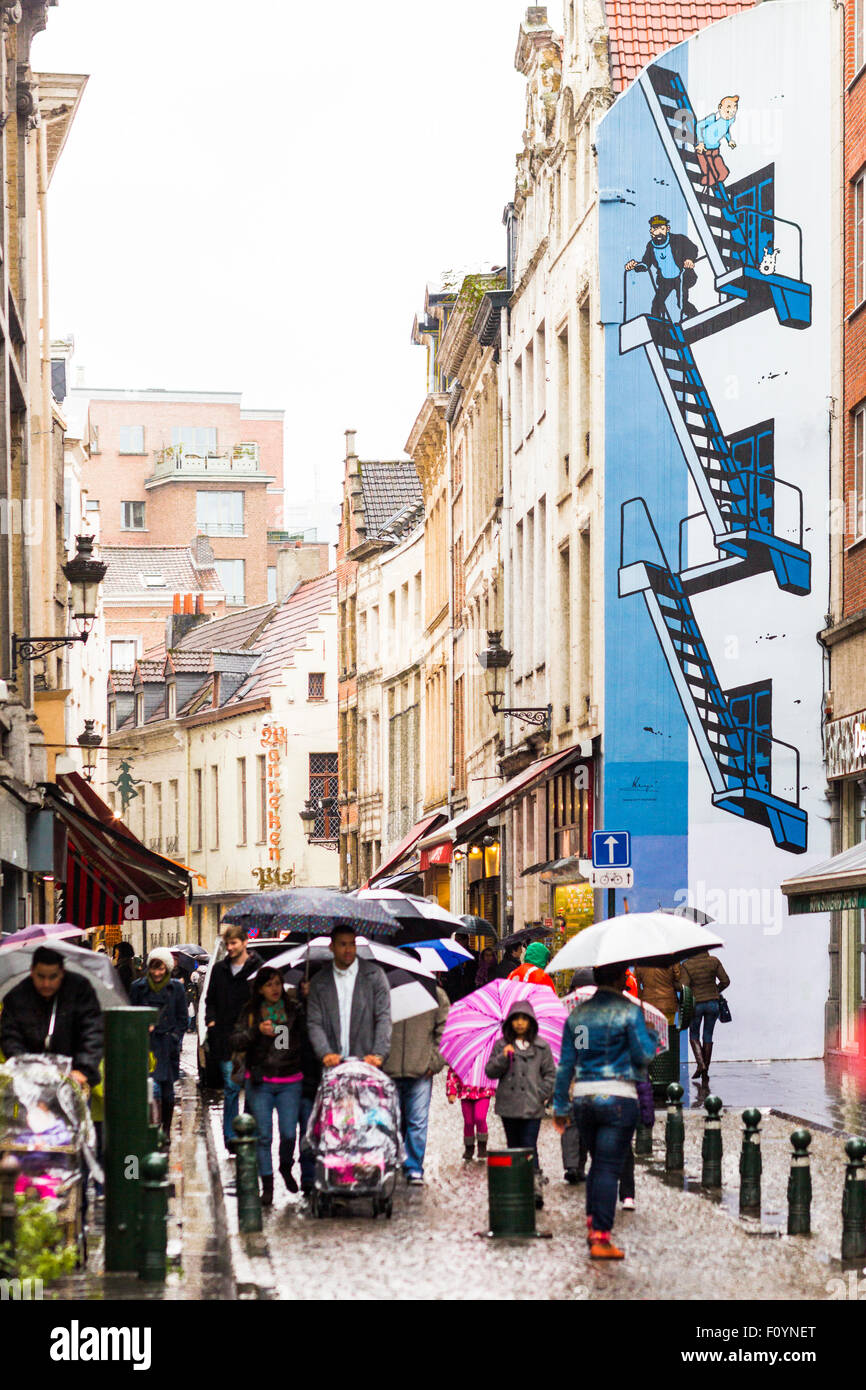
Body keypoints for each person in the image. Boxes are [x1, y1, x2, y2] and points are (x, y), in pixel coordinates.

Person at [553, 962, 658, 1260]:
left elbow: (568, 1063)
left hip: (584, 1098)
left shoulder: (580, 1016)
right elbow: (642, 1057)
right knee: (608, 1168)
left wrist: (561, 1105)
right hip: (618, 1098)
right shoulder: (629, 1011)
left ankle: (593, 1223)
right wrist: (647, 1037)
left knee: (598, 1165)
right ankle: (600, 1236)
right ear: (620, 979)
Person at [229, 966, 303, 1207]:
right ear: (260, 989)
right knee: (263, 1136)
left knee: (289, 1133)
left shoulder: (293, 1010)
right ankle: (267, 1186)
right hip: (260, 1081)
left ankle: (285, 1166)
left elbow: (305, 1035)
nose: (274, 989)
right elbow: (236, 1040)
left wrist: (306, 995)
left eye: (277, 983)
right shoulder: (251, 1011)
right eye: (269, 984)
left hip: (289, 1080)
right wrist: (256, 1031)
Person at [485, 1000, 556, 1208]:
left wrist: (540, 1094)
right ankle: (516, 1185)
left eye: (524, 1019)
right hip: (509, 1106)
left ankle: (534, 1187)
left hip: (532, 1107)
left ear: (531, 1022)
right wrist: (503, 1057)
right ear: (510, 1022)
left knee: (529, 1146)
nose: (520, 1023)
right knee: (513, 1147)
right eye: (516, 1019)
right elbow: (490, 1071)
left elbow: (550, 1074)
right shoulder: (501, 1045)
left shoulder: (541, 1047)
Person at [0, 946, 102, 1089]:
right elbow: (10, 1038)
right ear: (32, 972)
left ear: (62, 973)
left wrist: (84, 1069)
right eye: (41, 976)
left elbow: (92, 1031)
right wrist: (28, 1070)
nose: (46, 984)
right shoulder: (16, 997)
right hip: (31, 1081)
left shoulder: (80, 990)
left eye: (53, 977)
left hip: (74, 1077)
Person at [204, 925, 263, 1154]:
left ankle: (247, 1133)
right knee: (231, 1087)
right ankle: (230, 1136)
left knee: (249, 1087)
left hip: (250, 1039)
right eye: (227, 944)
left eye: (234, 943)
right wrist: (211, 1020)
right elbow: (210, 999)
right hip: (226, 1039)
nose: (230, 948)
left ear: (244, 943)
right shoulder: (220, 970)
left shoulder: (257, 969)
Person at [384, 983, 450, 1185]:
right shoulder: (386, 992)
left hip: (421, 1070)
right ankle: (394, 1158)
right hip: (390, 1069)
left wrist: (435, 1063)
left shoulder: (435, 995)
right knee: (392, 1120)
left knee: (417, 1120)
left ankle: (413, 1167)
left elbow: (445, 1030)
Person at [305, 926, 391, 1068]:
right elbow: (314, 1022)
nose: (348, 950)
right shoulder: (318, 982)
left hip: (367, 1064)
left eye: (352, 944)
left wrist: (378, 1054)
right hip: (332, 1066)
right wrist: (324, 1052)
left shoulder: (375, 975)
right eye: (343, 944)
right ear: (331, 947)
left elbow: (383, 1017)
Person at [130, 947, 188, 1140]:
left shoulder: (176, 988)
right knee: (150, 1088)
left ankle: (166, 1129)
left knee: (168, 1091)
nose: (156, 973)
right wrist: (140, 1028)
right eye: (154, 968)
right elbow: (131, 1013)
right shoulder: (138, 987)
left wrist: (174, 1038)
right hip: (146, 1046)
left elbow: (182, 1018)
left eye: (161, 968)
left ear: (167, 968)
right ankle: (153, 1131)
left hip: (167, 1044)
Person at [625, 215, 698, 320]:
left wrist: (689, 259)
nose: (658, 232)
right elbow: (646, 263)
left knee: (681, 303)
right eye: (655, 229)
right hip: (665, 281)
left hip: (681, 276)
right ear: (651, 231)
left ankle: (694, 318)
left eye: (662, 229)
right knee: (656, 305)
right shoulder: (651, 246)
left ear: (667, 229)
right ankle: (659, 330)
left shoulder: (678, 239)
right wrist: (635, 265)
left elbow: (692, 249)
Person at [680, 949, 730, 1085]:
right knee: (708, 1035)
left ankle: (701, 1064)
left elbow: (684, 987)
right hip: (713, 1003)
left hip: (696, 1004)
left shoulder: (687, 965)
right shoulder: (714, 961)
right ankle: (705, 1071)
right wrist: (715, 991)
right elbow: (726, 981)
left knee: (694, 1034)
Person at [446, 1067, 495, 1161]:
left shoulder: (485, 1055)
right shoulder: (463, 1056)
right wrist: (452, 1091)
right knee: (468, 1122)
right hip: (465, 1091)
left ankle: (482, 1145)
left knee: (480, 1118)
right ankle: (469, 1147)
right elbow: (453, 1072)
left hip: (483, 1091)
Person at [695, 94, 739, 190]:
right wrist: (701, 142)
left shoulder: (729, 120)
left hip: (715, 150)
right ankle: (708, 180)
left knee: (724, 173)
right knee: (712, 175)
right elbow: (698, 126)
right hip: (704, 150)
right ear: (720, 107)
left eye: (733, 112)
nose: (730, 115)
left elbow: (726, 130)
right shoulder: (712, 118)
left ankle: (712, 183)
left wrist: (729, 140)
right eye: (728, 111)